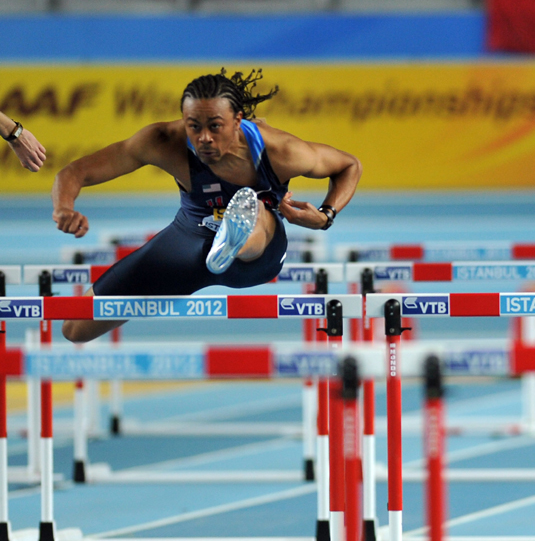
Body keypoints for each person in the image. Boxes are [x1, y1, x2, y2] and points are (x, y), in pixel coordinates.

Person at [52, 69, 362, 343]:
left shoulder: (281, 150)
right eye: (194, 127)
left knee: (255, 208)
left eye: (215, 126)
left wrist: (325, 216)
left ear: (238, 120)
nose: (204, 139)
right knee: (75, 327)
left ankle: (233, 238)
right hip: (188, 242)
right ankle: (222, 240)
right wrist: (64, 207)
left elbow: (349, 165)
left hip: (257, 254)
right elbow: (74, 172)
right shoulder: (163, 141)